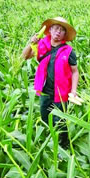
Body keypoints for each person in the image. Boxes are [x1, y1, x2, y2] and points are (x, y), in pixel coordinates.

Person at [23, 16, 79, 147]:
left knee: (60, 121)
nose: (58, 32)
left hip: (62, 93)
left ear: (65, 34)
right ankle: (49, 141)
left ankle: (62, 145)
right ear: (50, 30)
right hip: (45, 91)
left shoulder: (69, 51)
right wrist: (31, 43)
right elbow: (25, 56)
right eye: (55, 28)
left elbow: (75, 71)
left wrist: (74, 91)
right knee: (45, 117)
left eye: (61, 30)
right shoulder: (41, 45)